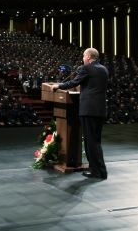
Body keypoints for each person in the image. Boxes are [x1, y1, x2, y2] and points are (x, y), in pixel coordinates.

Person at [52, 47, 108, 179]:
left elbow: (74, 82)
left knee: (90, 141)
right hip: (100, 110)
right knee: (96, 141)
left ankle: (96, 171)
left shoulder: (87, 68)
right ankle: (101, 171)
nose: (83, 58)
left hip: (88, 109)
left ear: (88, 57)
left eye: (83, 56)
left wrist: (57, 86)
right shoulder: (104, 69)